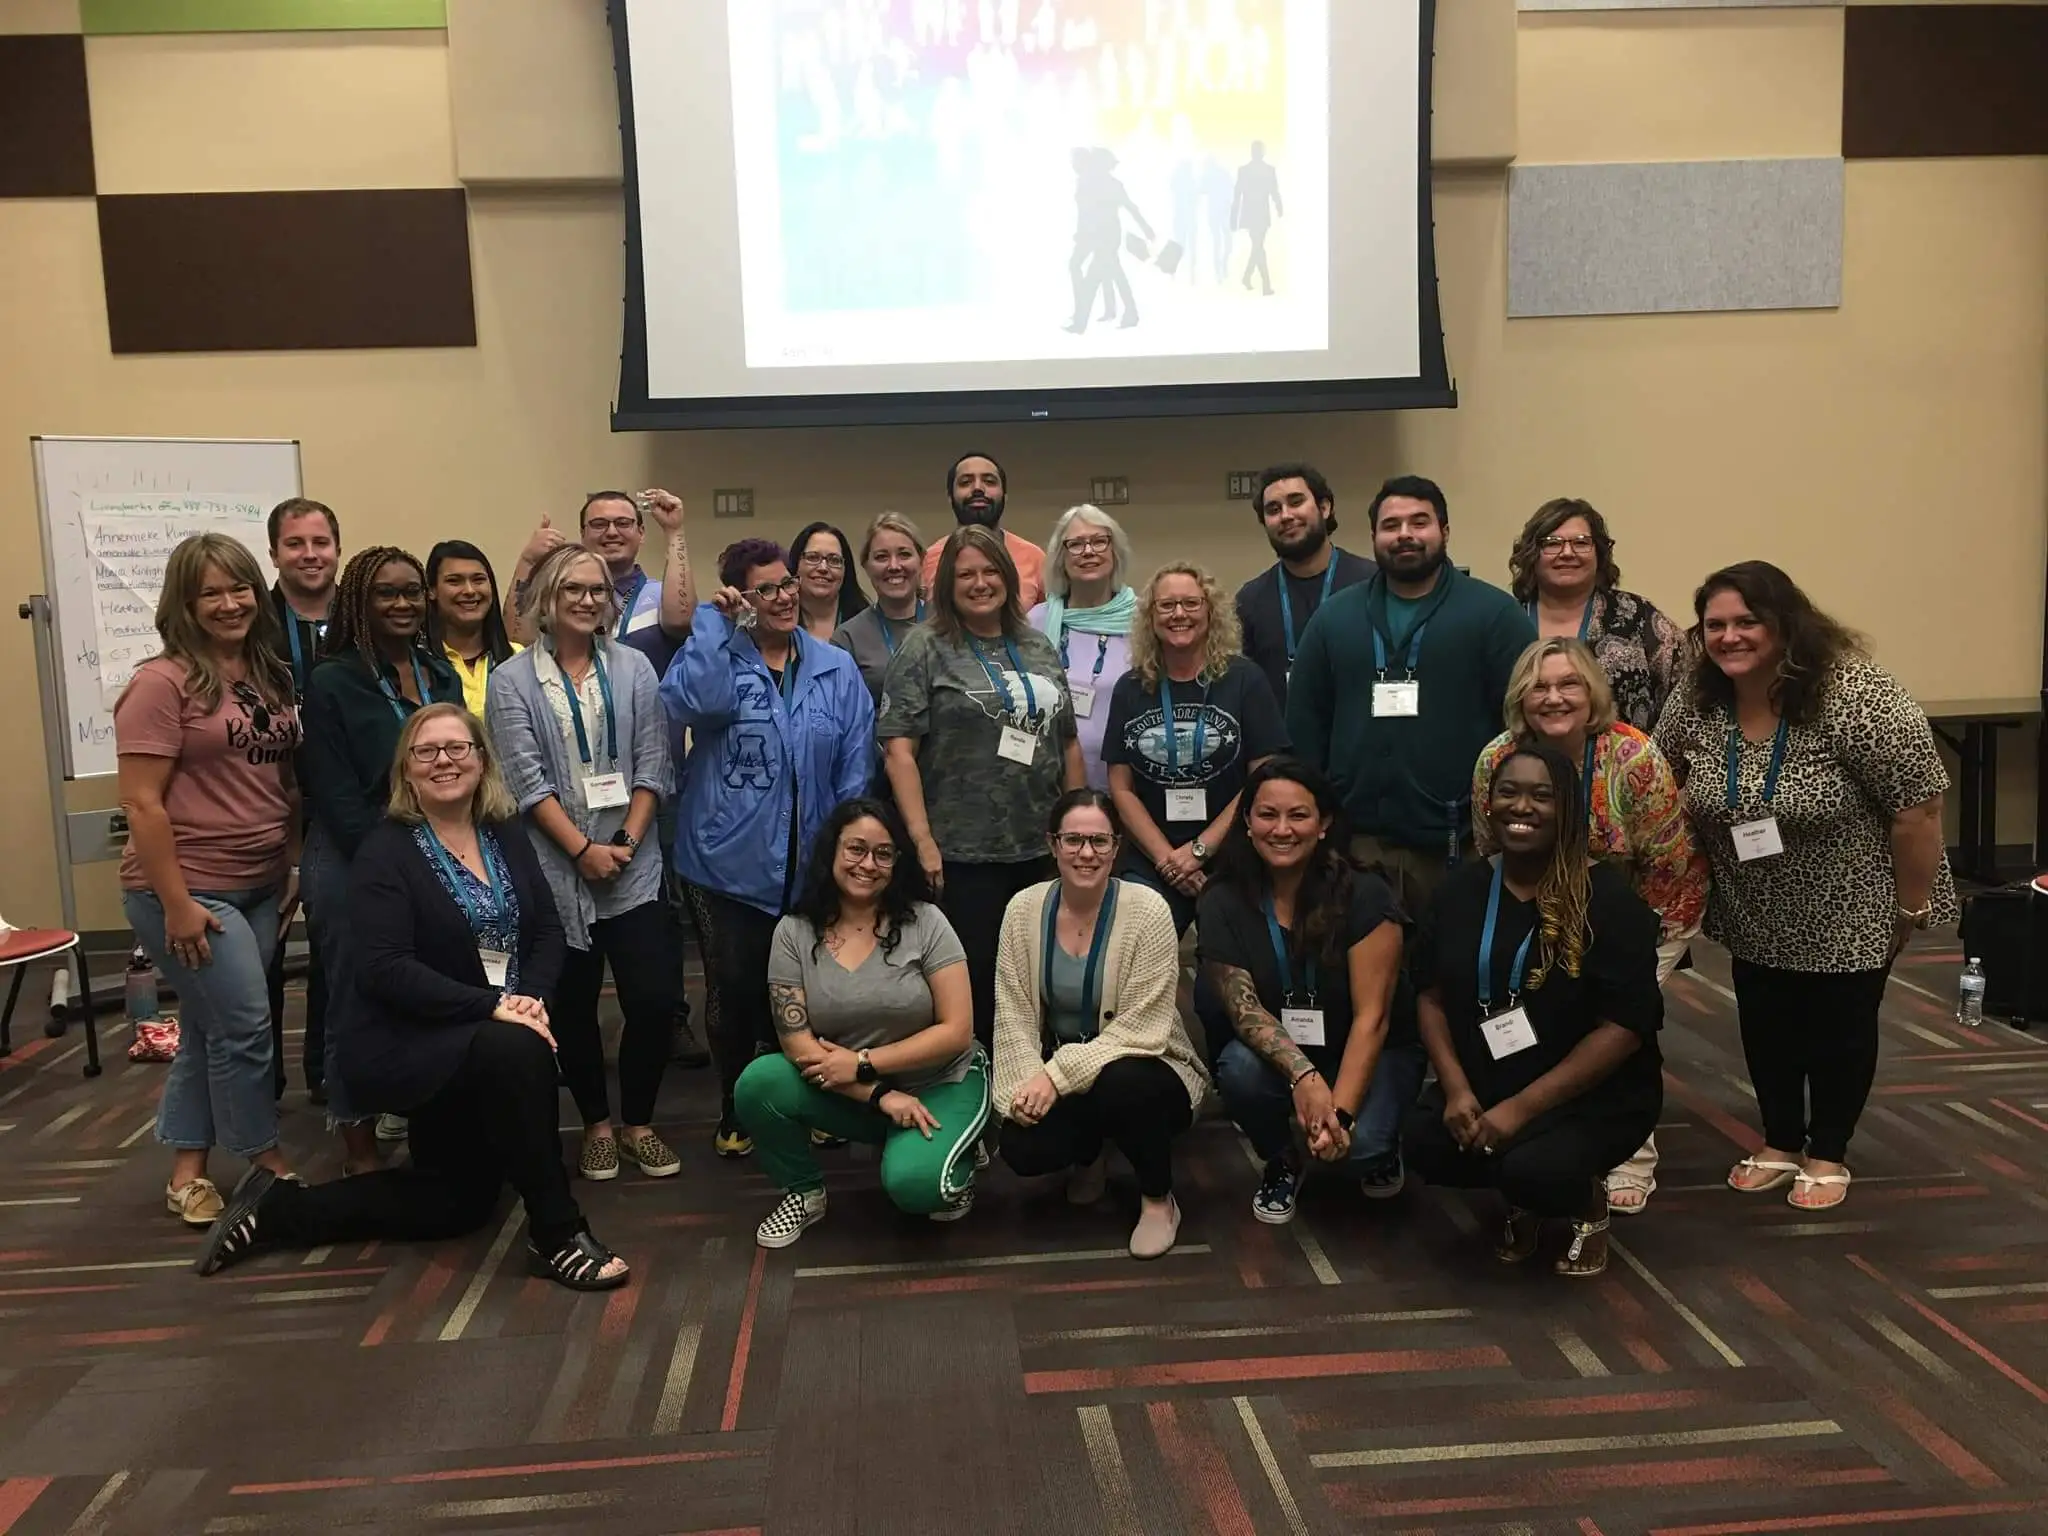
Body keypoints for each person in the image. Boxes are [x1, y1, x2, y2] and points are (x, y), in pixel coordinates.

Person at [192, 704, 628, 1292]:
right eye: (427, 751)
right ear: (407, 770)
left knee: (457, 1205)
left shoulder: (504, 832)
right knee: (517, 1049)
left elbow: (548, 930)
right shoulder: (385, 851)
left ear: (481, 760)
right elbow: (386, 971)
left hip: (489, 1032)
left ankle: (277, 1210)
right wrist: (492, 1007)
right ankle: (556, 1232)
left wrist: (529, 999)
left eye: (458, 748)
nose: (444, 761)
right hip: (411, 1041)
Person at [1654, 562, 1954, 1211]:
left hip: (1853, 898)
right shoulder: (1699, 695)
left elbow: (1920, 808)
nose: (1729, 637)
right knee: (1766, 1024)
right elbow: (1661, 775)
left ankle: (1828, 1151)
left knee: (1838, 1029)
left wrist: (1910, 907)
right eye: (1715, 625)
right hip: (1752, 899)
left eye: (1747, 622)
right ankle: (1781, 1141)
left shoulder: (1855, 693)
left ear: (1786, 625)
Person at [1404, 744, 1665, 1278]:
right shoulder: (1460, 891)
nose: (1521, 807)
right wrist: (1456, 1089)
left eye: (1542, 796)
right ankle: (1522, 1194)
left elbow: (1623, 1028)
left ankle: (1585, 1202)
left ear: (1568, 807)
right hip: (1490, 1078)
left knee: (1536, 1169)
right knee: (1425, 1143)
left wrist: (1520, 1110)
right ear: (1489, 802)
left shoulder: (1610, 902)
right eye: (1509, 792)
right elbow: (1428, 995)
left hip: (1593, 1095)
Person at [1473, 638, 1707, 1214]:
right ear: (1520, 697)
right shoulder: (1497, 758)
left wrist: (1631, 945)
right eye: (1539, 686)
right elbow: (1490, 849)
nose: (1553, 697)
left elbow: (1669, 862)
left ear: (1592, 692)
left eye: (1568, 684)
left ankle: (1632, 1155)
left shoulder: (1633, 757)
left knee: (1619, 1024)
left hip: (1642, 913)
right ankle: (1547, 1133)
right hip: (1542, 916)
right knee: (1553, 1023)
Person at [664, 539, 875, 1157]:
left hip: (812, 864)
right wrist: (713, 621)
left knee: (812, 993)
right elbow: (694, 703)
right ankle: (737, 1106)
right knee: (734, 989)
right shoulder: (718, 656)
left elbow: (856, 762)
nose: (783, 597)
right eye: (766, 590)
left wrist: (845, 851)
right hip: (725, 866)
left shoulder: (834, 667)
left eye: (787, 584)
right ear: (741, 597)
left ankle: (814, 1101)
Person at [118, 534, 303, 1225]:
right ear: (185, 604)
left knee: (209, 1027)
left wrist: (290, 866)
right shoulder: (159, 684)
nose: (229, 604)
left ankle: (186, 1175)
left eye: (239, 588)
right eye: (210, 593)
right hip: (189, 890)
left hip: (260, 884)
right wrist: (176, 905)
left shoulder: (269, 675)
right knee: (248, 1027)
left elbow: (283, 782)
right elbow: (141, 803)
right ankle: (262, 1157)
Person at [486, 545, 679, 1181]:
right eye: (573, 588)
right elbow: (525, 783)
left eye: (598, 589)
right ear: (547, 596)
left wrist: (623, 843)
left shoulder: (633, 667)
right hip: (554, 868)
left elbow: (653, 762)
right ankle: (596, 1123)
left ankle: (638, 1122)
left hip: (632, 862)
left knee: (653, 1000)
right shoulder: (512, 680)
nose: (588, 599)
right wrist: (582, 850)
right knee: (571, 1006)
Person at [738, 799, 987, 1244]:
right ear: (831, 851)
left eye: (883, 854)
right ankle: (804, 1192)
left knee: (918, 1190)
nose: (868, 864)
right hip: (861, 1093)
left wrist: (863, 1063)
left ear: (897, 862)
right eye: (856, 849)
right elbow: (797, 1044)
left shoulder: (927, 922)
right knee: (759, 1083)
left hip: (940, 1082)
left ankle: (962, 1145)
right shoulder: (793, 932)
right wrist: (878, 1094)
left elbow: (957, 1032)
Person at [1287, 475, 1534, 912]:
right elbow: (1305, 726)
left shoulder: (1494, 615)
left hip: (1461, 845)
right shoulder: (1334, 618)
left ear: (1445, 531)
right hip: (1356, 844)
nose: (1404, 534)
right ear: (1373, 537)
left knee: (1452, 953)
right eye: (1391, 525)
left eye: (1419, 522)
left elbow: (1523, 723)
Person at [881, 527, 1084, 1047]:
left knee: (1040, 977)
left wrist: (1079, 829)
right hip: (962, 853)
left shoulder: (1037, 644)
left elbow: (1067, 742)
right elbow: (899, 751)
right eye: (966, 574)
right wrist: (922, 840)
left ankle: (1039, 1078)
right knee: (979, 983)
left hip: (1039, 848)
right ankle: (984, 1081)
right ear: (948, 583)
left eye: (990, 571)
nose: (980, 583)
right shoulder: (924, 647)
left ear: (1008, 578)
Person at [1199, 760, 1422, 1217]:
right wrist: (1304, 1076)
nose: (1282, 829)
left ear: (1323, 825)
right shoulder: (1222, 898)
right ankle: (1282, 1158)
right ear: (1247, 823)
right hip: (1289, 1052)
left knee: (1361, 1149)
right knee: (1238, 1069)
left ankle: (1381, 1146)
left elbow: (1373, 1018)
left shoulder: (1366, 893)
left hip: (1371, 1047)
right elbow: (1242, 1009)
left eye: (1298, 815)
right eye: (1267, 815)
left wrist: (1339, 1116)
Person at [302, 547, 464, 1174]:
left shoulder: (438, 675)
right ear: (357, 604)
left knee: (424, 991)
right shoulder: (331, 681)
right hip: (352, 861)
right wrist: (395, 864)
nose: (402, 604)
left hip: (429, 850)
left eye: (412, 591)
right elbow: (335, 794)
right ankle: (360, 1151)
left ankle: (430, 1124)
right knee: (354, 1000)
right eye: (385, 593)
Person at [994, 791, 1207, 1258]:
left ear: (1116, 847)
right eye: (1073, 840)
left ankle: (1158, 1201)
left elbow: (1142, 1030)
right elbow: (1013, 1015)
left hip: (1150, 1067)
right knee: (1021, 1146)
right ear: (1052, 844)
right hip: (1067, 1074)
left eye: (1099, 841)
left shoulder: (1149, 909)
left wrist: (1055, 1076)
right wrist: (1023, 1087)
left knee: (1121, 1081)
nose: (1086, 853)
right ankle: (1090, 1158)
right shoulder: (1022, 909)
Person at [1105, 563, 1288, 935]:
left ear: (1210, 611)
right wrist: (1168, 860)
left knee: (1232, 953)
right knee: (1134, 943)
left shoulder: (1245, 679)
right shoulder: (1130, 687)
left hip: (1231, 852)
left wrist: (1200, 850)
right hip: (1152, 858)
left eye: (1191, 603)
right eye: (1166, 605)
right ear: (1150, 616)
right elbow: (1121, 787)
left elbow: (1263, 779)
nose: (1179, 614)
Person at [264, 496, 340, 1102]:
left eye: (320, 543)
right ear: (274, 554)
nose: (309, 554)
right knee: (262, 949)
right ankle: (262, 1080)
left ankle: (325, 1071)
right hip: (267, 801)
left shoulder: (360, 616)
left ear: (337, 549)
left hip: (339, 801)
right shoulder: (252, 622)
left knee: (333, 946)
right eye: (295, 544)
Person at [1508, 498, 1687, 734]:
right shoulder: (1506, 620)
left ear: (1599, 553)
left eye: (1581, 543)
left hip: (1625, 755)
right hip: (1524, 756)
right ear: (1532, 554)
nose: (1567, 553)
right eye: (1552, 544)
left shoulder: (1638, 617)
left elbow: (1685, 693)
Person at [508, 488, 695, 672]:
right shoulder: (561, 594)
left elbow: (681, 623)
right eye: (599, 524)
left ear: (641, 533)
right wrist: (528, 560)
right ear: (583, 534)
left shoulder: (661, 595)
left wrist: (674, 531)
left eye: (623, 523)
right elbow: (518, 641)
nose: (612, 532)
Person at [1235, 464, 1373, 710]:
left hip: (1358, 728)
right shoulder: (1250, 600)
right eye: (1273, 510)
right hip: (1283, 732)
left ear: (1324, 508)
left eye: (1296, 502)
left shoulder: (1373, 583)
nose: (1286, 516)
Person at [1027, 504, 1137, 789]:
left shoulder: (1143, 622)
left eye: (1099, 541)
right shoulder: (1034, 623)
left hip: (1125, 781)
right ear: (1060, 558)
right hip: (1049, 779)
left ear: (1115, 552)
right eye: (1075, 544)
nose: (1088, 551)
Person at [917, 454, 1047, 609]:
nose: (978, 488)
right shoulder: (929, 560)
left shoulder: (1035, 558)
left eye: (989, 481)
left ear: (1004, 496)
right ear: (950, 497)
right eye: (965, 482)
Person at [832, 511, 926, 703]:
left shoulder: (950, 623)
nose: (894, 566)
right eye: (882, 557)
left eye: (904, 554)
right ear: (866, 566)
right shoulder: (848, 638)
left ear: (921, 560)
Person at [425, 539, 521, 717]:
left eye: (478, 580)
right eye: (454, 581)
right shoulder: (420, 664)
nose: (469, 590)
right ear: (431, 590)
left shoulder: (517, 657)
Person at [790, 522, 869, 642]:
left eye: (834, 560)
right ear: (796, 564)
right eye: (812, 557)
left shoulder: (866, 623)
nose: (823, 568)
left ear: (845, 569)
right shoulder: (779, 619)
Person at [1232, 140, 1282, 295]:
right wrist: (1279, 207)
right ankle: (1265, 285)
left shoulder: (1244, 171)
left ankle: (1248, 277)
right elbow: (1274, 192)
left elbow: (1237, 195)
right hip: (1260, 215)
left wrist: (1234, 217)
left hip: (1252, 215)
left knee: (1257, 247)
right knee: (1258, 247)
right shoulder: (1268, 170)